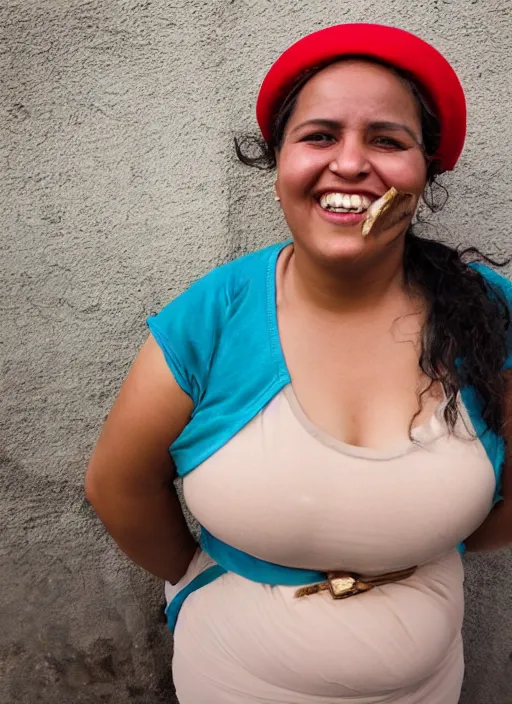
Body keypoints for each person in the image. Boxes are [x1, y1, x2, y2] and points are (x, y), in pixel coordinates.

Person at [85, 23, 512, 704]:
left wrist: (428, 534)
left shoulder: (489, 313)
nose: (349, 163)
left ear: (425, 170)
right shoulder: (213, 316)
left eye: (387, 140)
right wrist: (203, 575)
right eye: (319, 136)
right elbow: (119, 485)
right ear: (277, 160)